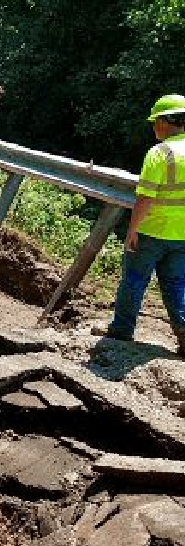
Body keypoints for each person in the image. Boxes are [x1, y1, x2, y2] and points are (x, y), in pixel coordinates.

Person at [105, 94, 185, 355]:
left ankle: (121, 331)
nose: (153, 127)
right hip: (181, 235)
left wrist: (132, 230)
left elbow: (145, 198)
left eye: (155, 122)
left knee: (134, 280)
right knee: (176, 284)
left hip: (151, 232)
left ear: (167, 121)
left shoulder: (159, 154)